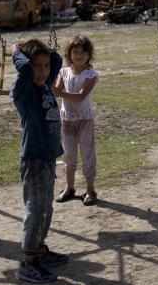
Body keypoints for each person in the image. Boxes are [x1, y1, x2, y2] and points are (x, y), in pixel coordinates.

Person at [10, 38, 67, 283]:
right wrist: (16, 51)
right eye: (37, 66)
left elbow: (56, 59)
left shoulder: (43, 84)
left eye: (45, 66)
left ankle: (39, 249)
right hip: (33, 159)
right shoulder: (24, 90)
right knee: (35, 208)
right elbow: (23, 68)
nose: (43, 71)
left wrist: (42, 54)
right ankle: (28, 262)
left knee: (46, 207)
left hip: (47, 157)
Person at [52, 36, 100, 206]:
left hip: (85, 120)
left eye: (82, 52)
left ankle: (90, 190)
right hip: (66, 120)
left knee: (87, 155)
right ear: (69, 54)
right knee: (68, 156)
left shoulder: (91, 75)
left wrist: (60, 93)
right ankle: (69, 187)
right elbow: (55, 88)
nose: (79, 55)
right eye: (75, 52)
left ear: (89, 55)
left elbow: (80, 96)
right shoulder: (63, 72)